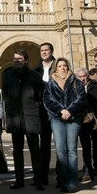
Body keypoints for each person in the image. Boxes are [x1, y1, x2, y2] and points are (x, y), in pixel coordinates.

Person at [2, 50, 44, 191]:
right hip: (15, 117)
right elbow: (5, 95)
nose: (16, 61)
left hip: (30, 115)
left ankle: (38, 180)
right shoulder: (7, 76)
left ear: (26, 60)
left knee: (35, 149)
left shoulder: (34, 76)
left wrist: (33, 105)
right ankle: (19, 180)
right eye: (15, 58)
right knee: (17, 150)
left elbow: (40, 95)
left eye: (19, 58)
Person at [44, 58, 86, 193]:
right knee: (61, 151)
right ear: (56, 68)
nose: (62, 68)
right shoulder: (50, 83)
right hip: (57, 119)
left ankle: (73, 181)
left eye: (65, 66)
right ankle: (62, 181)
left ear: (68, 67)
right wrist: (60, 110)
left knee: (72, 150)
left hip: (73, 119)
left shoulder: (76, 82)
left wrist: (69, 110)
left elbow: (81, 99)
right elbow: (47, 100)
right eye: (60, 66)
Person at [75, 67, 97, 183]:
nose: (82, 79)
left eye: (84, 76)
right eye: (79, 77)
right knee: (85, 148)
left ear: (87, 76)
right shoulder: (75, 88)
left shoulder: (96, 85)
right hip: (83, 121)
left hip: (96, 120)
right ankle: (87, 171)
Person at [33, 42, 54, 185]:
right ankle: (43, 175)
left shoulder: (60, 67)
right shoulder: (36, 70)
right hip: (42, 111)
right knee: (44, 145)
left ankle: (62, 174)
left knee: (62, 145)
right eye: (42, 50)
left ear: (51, 51)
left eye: (47, 50)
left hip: (57, 111)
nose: (44, 52)